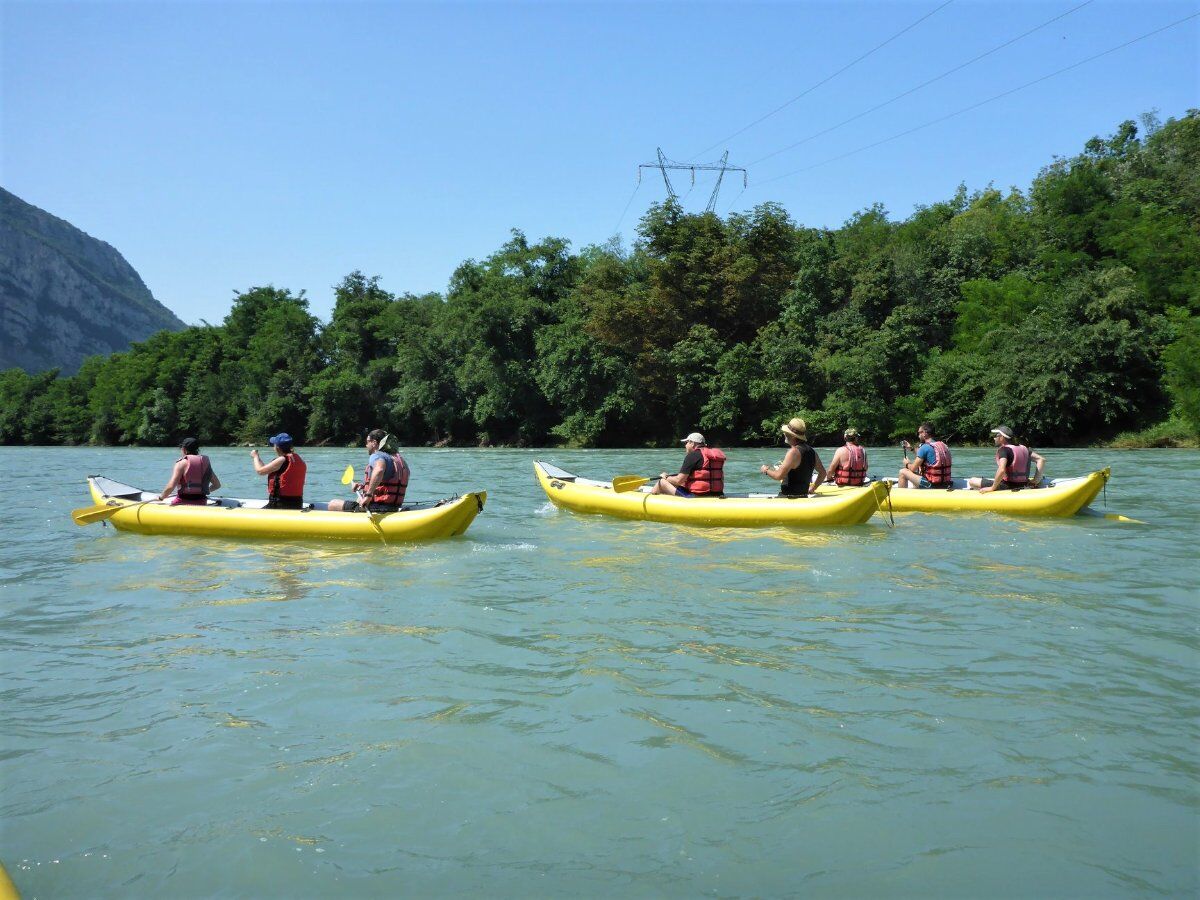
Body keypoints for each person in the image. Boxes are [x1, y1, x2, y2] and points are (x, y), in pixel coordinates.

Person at [328, 429, 410, 512]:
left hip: (378, 507)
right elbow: (386, 481)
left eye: (367, 442)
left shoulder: (377, 455)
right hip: (394, 507)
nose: (366, 445)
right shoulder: (399, 460)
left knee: (333, 504)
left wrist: (368, 495)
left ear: (374, 442)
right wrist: (363, 486)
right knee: (358, 499)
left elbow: (379, 470)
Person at [761, 418, 826, 497]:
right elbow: (823, 473)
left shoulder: (793, 452)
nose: (784, 434)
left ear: (793, 436)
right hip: (803, 496)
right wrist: (813, 488)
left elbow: (778, 476)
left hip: (789, 499)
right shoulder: (812, 451)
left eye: (786, 432)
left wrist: (766, 470)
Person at [970, 426, 1046, 493]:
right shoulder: (1024, 448)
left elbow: (1002, 470)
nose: (994, 438)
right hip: (1024, 485)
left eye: (996, 436)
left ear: (1002, 437)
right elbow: (1041, 459)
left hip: (1008, 486)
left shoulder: (1003, 450)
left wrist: (992, 488)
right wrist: (1036, 480)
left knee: (972, 481)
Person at [650, 432, 725, 497]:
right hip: (717, 494)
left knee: (662, 482)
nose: (685, 445)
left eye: (686, 443)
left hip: (696, 496)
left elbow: (679, 480)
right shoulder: (712, 456)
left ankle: (650, 502)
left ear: (692, 443)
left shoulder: (692, 456)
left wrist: (666, 477)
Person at [250, 432, 307, 509]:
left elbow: (260, 471)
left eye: (274, 445)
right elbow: (264, 469)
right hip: (297, 503)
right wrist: (258, 457)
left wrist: (255, 457)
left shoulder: (282, 460)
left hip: (280, 504)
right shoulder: (298, 459)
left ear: (277, 447)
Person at [158, 437, 220, 505]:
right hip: (201, 502)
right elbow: (217, 485)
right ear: (197, 449)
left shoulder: (181, 463)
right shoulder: (205, 463)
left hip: (182, 502)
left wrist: (161, 498)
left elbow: (171, 486)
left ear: (184, 449)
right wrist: (203, 491)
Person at [896, 423, 953, 489]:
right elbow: (925, 454)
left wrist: (907, 464)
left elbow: (912, 468)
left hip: (932, 485)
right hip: (946, 483)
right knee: (918, 474)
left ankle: (903, 498)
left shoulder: (924, 447)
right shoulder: (942, 445)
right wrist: (910, 448)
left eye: (919, 433)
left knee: (903, 472)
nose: (918, 436)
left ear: (925, 433)